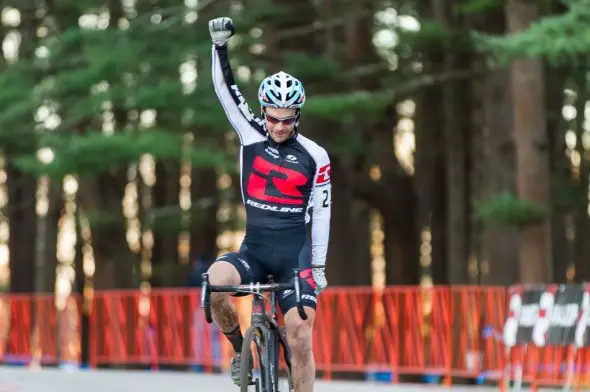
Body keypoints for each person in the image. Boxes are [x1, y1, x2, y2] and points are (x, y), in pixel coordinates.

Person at [206, 16, 332, 392]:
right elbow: (225, 91)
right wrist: (219, 48)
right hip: (255, 250)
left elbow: (323, 211)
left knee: (300, 336)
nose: (279, 126)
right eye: (274, 118)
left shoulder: (315, 155)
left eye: (287, 119)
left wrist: (320, 265)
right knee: (214, 285)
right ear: (264, 112)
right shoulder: (249, 134)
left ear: (298, 115)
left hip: (296, 255)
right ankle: (238, 349)